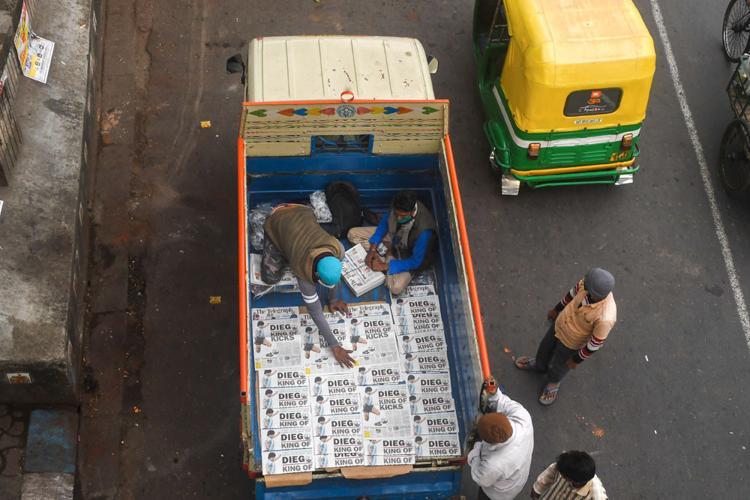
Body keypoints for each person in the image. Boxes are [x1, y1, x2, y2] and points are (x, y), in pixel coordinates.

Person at [263, 203, 354, 367]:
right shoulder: (303, 274)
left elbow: (335, 277)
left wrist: (334, 300)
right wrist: (334, 345)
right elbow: (316, 312)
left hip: (303, 211)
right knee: (270, 277)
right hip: (278, 217)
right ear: (316, 275)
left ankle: (287, 242)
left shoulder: (338, 249)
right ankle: (276, 235)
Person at [514, 268, 617, 405]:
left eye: (586, 285)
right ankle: (539, 365)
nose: (583, 284)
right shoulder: (587, 284)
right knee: (545, 347)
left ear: (595, 294)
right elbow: (571, 295)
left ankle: (553, 382)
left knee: (560, 365)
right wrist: (556, 309)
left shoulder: (606, 317)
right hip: (560, 324)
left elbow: (594, 344)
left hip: (571, 342)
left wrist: (576, 359)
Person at [347, 190, 436, 295]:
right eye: (396, 214)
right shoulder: (396, 205)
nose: (398, 218)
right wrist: (372, 249)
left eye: (403, 216)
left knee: (396, 288)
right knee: (352, 234)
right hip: (393, 237)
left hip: (407, 256)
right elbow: (384, 225)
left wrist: (385, 266)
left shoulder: (424, 232)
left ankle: (387, 256)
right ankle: (384, 255)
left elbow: (416, 262)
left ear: (412, 212)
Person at [468, 387, 534, 500]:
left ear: (490, 442)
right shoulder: (523, 418)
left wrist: (475, 449)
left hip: (497, 495)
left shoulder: (494, 464)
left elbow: (480, 478)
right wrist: (494, 392)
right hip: (517, 476)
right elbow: (504, 402)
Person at [531, 451, 607, 499]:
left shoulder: (597, 496)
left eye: (563, 476)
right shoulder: (565, 466)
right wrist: (537, 490)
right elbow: (548, 475)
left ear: (573, 480)